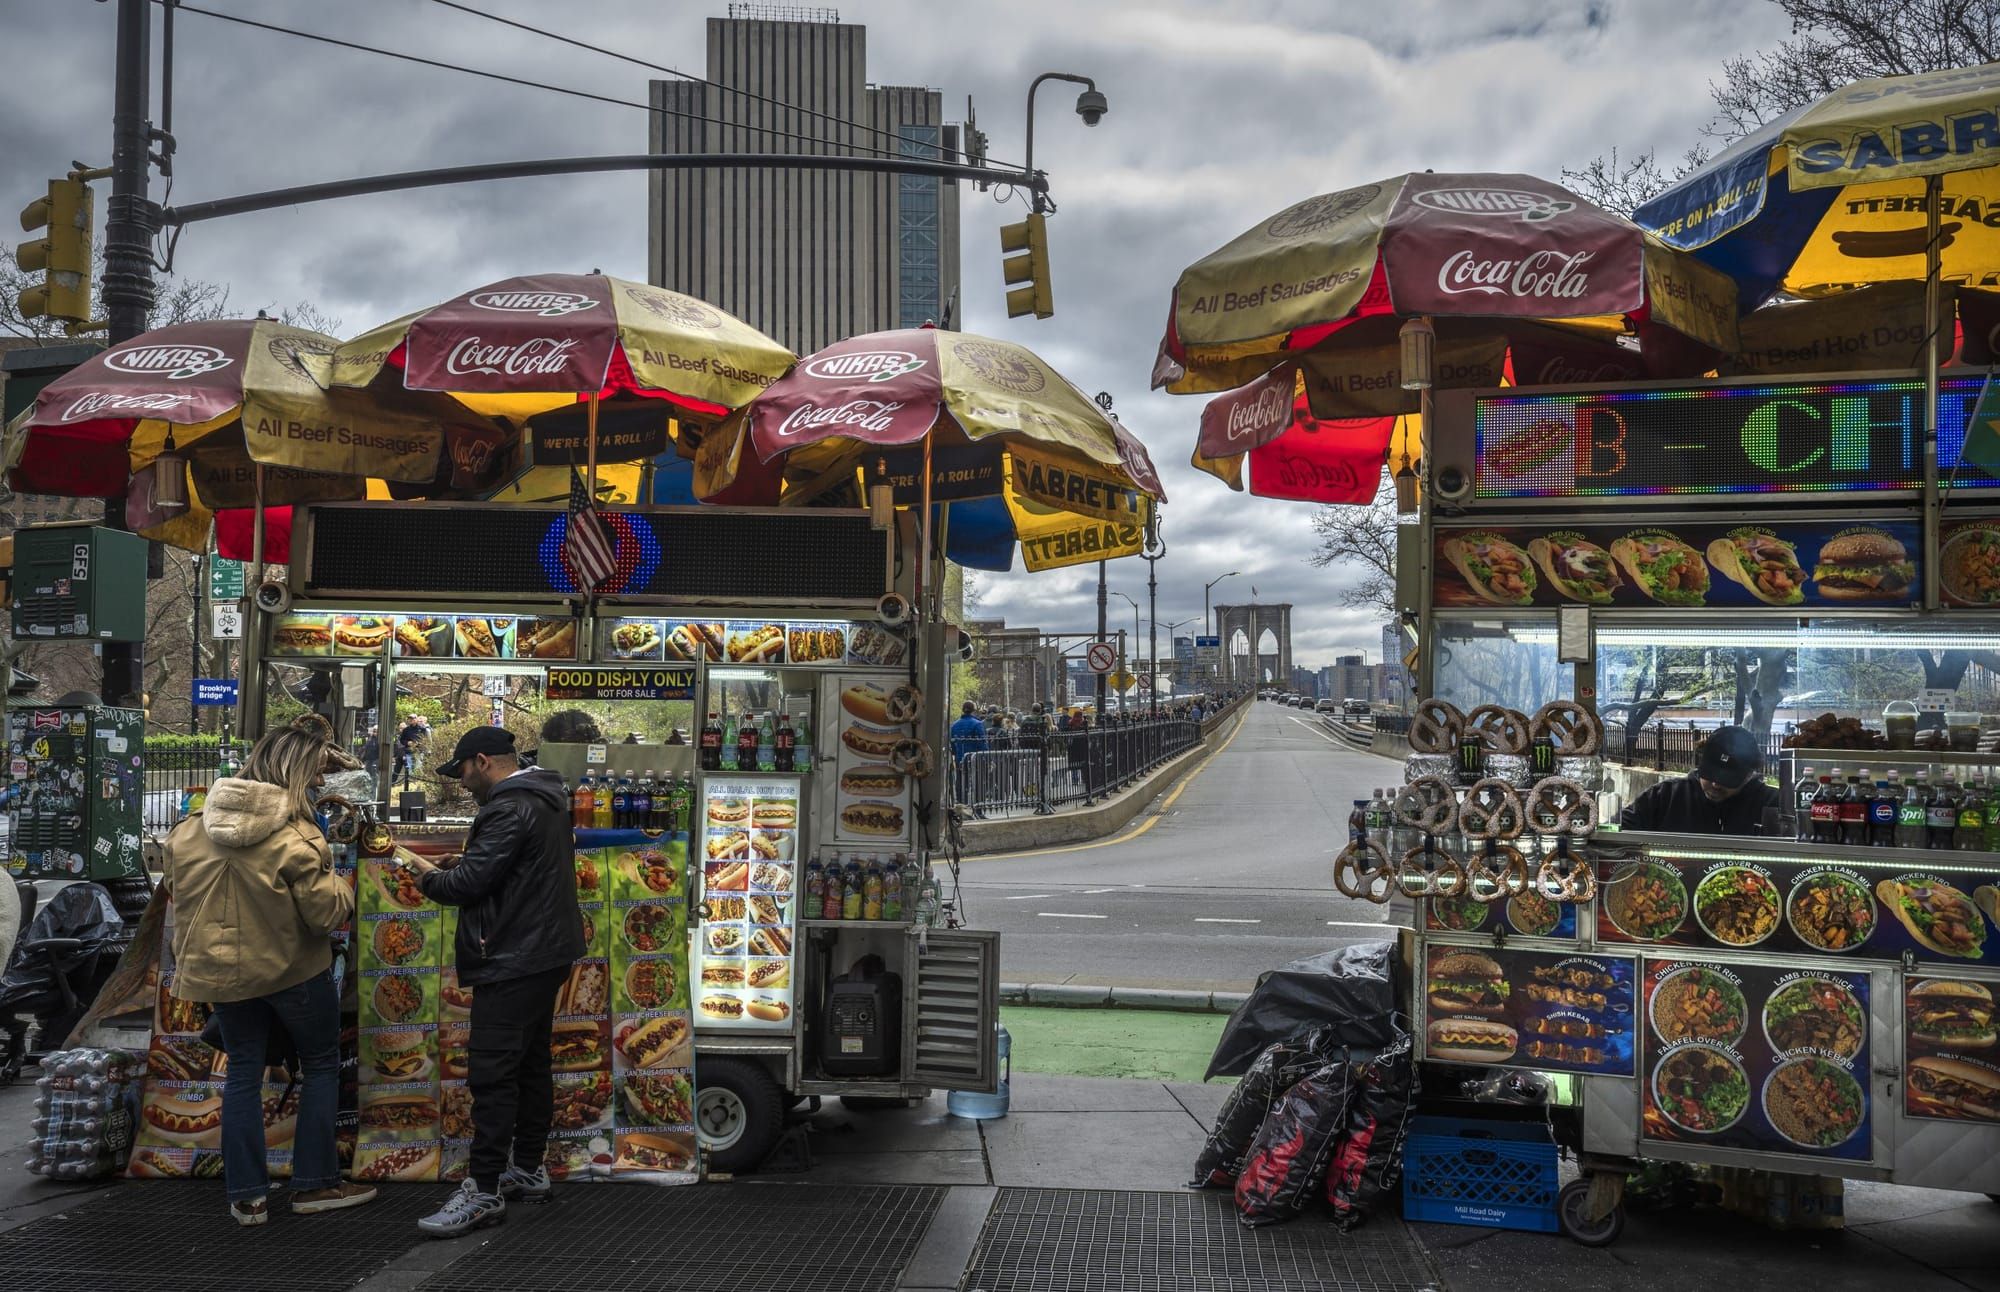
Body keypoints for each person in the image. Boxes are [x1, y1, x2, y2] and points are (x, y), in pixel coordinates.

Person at [161, 726, 377, 1226]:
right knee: (321, 1065)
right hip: (292, 973)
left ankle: (247, 1197)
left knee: (242, 1072)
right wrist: (344, 886)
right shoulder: (295, 837)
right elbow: (325, 916)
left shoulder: (190, 831)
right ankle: (315, 1185)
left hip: (221, 978)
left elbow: (175, 889)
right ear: (299, 774)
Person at [399, 727, 585, 1237]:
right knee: (530, 1065)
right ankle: (526, 1166)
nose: (462, 782)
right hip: (544, 953)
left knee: (493, 1073)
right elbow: (512, 872)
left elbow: (469, 886)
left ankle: (482, 1191)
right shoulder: (544, 797)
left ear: (482, 761)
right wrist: (465, 863)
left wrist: (429, 880)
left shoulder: (507, 806)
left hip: (513, 955)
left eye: (462, 770)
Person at [1619, 725, 1781, 835]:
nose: (1716, 784)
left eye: (1728, 779)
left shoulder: (1773, 803)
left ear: (1748, 775)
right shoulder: (1665, 796)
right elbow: (1620, 826)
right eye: (1710, 773)